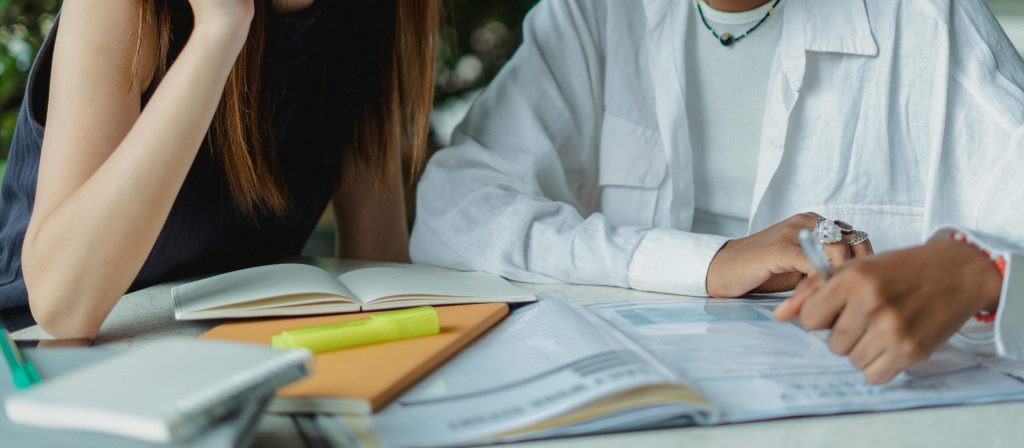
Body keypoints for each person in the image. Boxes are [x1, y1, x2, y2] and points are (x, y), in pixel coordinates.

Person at [410, 0, 1024, 384]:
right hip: (639, 412)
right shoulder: (591, 15)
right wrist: (708, 260)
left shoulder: (926, 19)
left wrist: (981, 273)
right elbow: (455, 211)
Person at [0, 0, 439, 337]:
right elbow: (61, 307)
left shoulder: (370, 15)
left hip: (230, 363)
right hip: (42, 367)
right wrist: (219, 31)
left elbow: (381, 271)